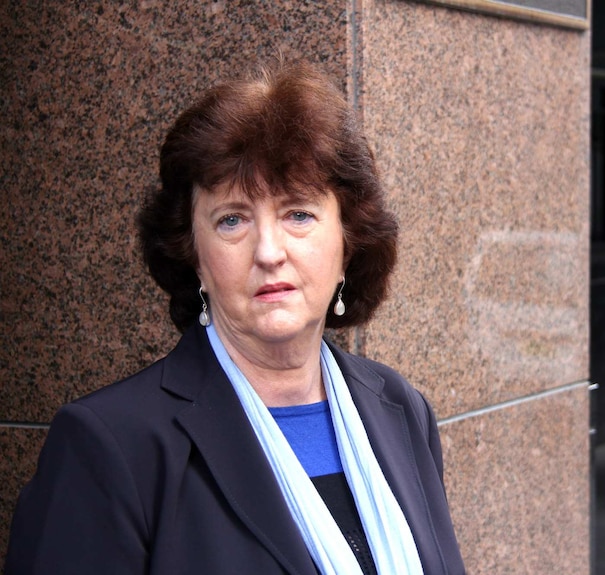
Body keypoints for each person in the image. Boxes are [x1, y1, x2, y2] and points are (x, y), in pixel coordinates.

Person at [6, 58, 465, 575]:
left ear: (348, 242)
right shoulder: (111, 446)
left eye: (298, 214)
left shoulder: (401, 409)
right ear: (193, 254)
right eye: (232, 219)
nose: (269, 251)